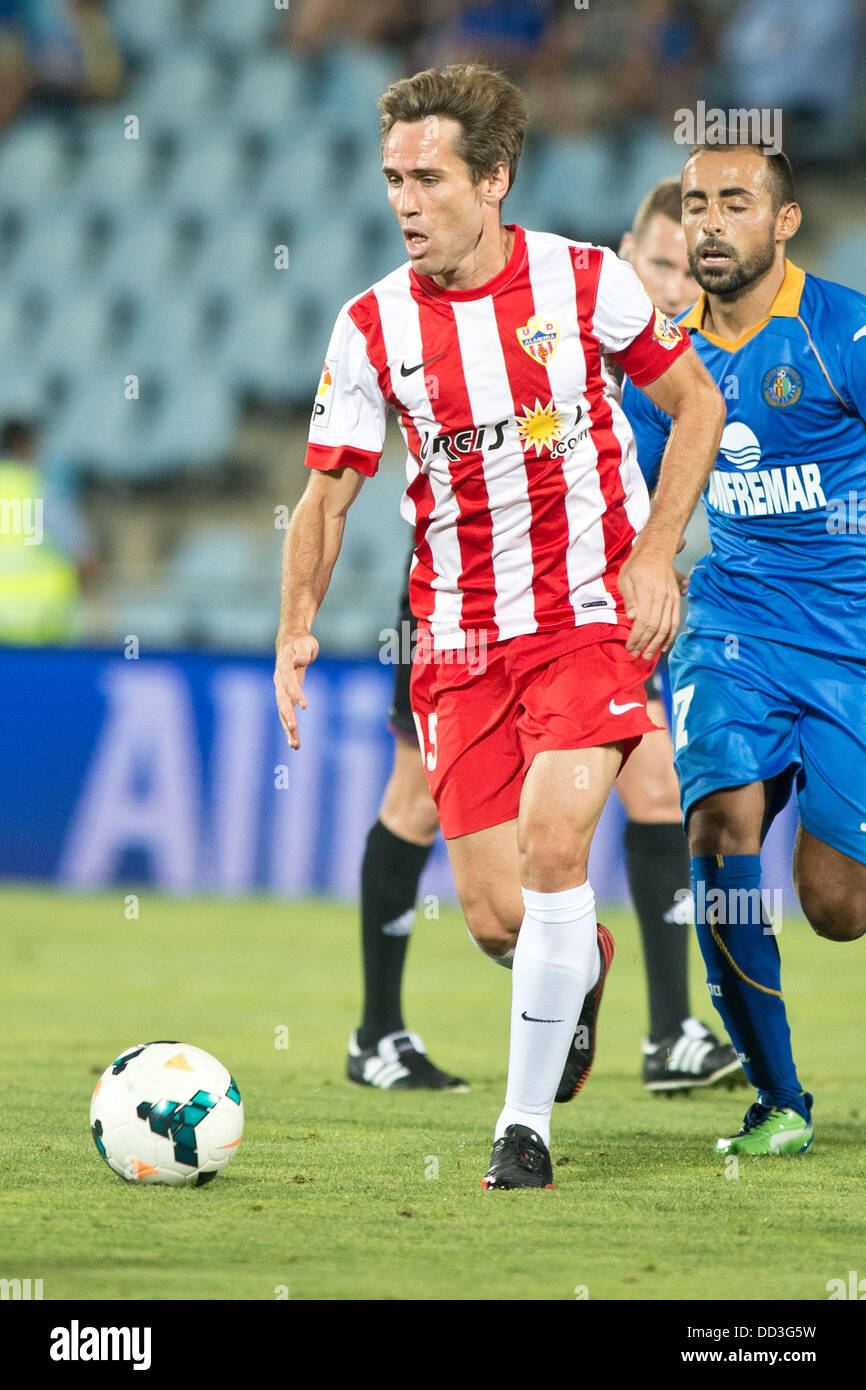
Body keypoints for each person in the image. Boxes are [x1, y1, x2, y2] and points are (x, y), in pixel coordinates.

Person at [274, 63, 725, 1189]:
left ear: (493, 178)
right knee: (490, 915)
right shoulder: (371, 324)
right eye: (392, 179)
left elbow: (693, 406)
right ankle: (578, 965)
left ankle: (520, 1134)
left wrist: (655, 552)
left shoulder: (584, 283)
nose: (405, 202)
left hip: (584, 618)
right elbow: (325, 498)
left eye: (427, 178)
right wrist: (293, 633)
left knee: (558, 838)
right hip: (457, 642)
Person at [349, 176, 740, 1096]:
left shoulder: (667, 372)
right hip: (464, 608)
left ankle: (669, 1030)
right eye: (658, 264)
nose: (673, 287)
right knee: (417, 808)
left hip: (593, 612)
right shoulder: (569, 329)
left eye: (689, 275)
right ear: (627, 254)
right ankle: (378, 1029)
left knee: (656, 784)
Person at [623, 141, 866, 1156]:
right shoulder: (665, 362)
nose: (707, 222)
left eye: (733, 201)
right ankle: (775, 1098)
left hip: (850, 639)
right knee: (718, 823)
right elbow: (638, 502)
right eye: (693, 203)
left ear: (783, 221)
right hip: (731, 625)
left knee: (835, 906)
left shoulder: (840, 331)